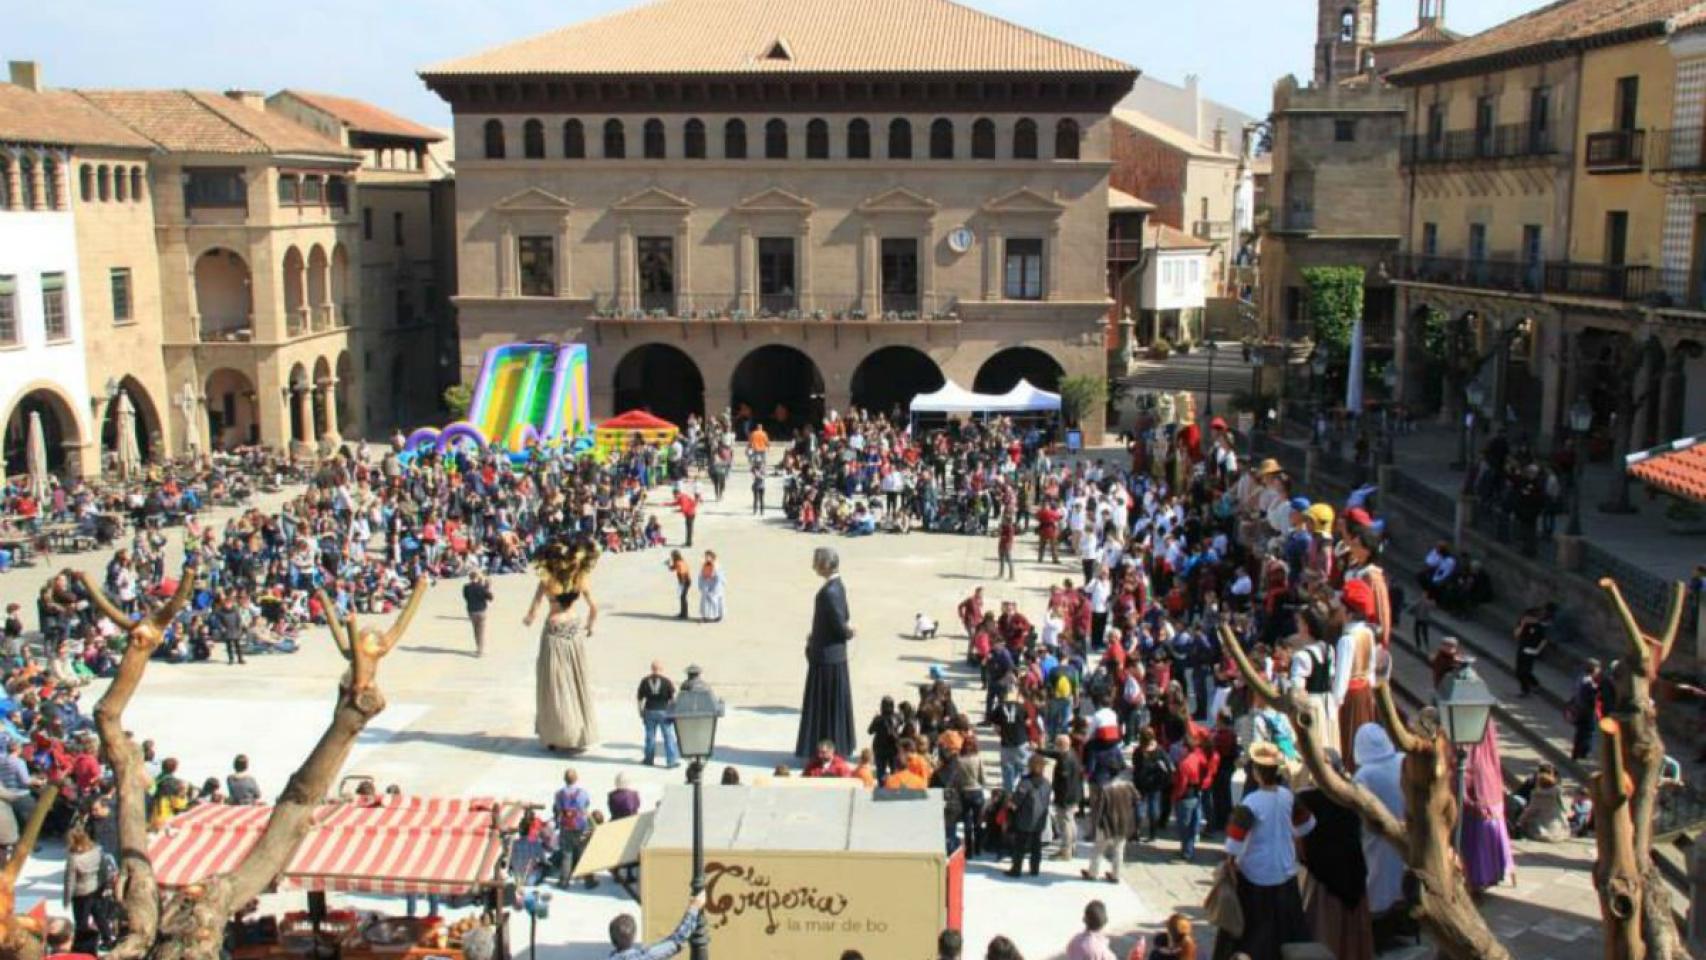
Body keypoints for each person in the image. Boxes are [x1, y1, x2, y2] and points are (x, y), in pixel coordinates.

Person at [1215, 742, 1314, 960]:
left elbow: (1234, 842)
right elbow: (1307, 825)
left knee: (1253, 933)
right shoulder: (1288, 796)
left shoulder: (1251, 802)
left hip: (1255, 874)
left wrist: (1230, 864)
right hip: (1285, 871)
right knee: (1288, 929)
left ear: (1257, 772)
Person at [525, 538, 601, 753]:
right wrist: (590, 626)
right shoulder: (579, 580)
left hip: (555, 630)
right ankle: (578, 732)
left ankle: (556, 733)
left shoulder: (547, 582)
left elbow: (533, 611)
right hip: (574, 629)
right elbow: (594, 609)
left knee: (554, 684)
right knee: (577, 681)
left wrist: (528, 619)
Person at [1295, 755, 1373, 960]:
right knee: (1350, 931)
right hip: (1350, 871)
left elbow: (1301, 841)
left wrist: (1305, 860)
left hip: (1325, 877)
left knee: (1325, 929)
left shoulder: (1307, 799)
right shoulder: (1353, 796)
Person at [795, 547, 856, 758]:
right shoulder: (838, 586)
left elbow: (840, 625)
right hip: (832, 654)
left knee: (824, 707)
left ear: (824, 565)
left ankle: (823, 749)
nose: (813, 566)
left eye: (816, 562)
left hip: (826, 656)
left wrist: (847, 632)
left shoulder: (829, 592)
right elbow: (845, 615)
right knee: (833, 705)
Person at [1351, 724, 1406, 922]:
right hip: (1405, 827)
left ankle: (1378, 919)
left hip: (1378, 834)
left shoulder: (1364, 775)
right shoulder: (1402, 761)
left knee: (1377, 878)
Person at [1459, 718, 1514, 892]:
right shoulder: (1486, 725)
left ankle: (1477, 877)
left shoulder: (1472, 736)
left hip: (1478, 790)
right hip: (1491, 787)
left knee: (1476, 836)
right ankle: (1494, 872)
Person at [607, 891, 705, 960]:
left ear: (612, 940)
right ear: (634, 935)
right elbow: (679, 938)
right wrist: (694, 907)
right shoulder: (644, 956)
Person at [1006, 752, 1052, 878]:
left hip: (1024, 819)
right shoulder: (1047, 783)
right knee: (1036, 846)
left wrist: (1009, 805)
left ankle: (1016, 869)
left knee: (1020, 845)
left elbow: (1015, 802)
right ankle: (1035, 869)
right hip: (1040, 820)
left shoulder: (1025, 783)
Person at [1082, 778, 1137, 884]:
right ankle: (1116, 875)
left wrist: (1096, 825)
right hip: (1123, 821)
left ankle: (1093, 873)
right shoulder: (1128, 786)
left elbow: (1100, 809)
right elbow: (1137, 799)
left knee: (1098, 849)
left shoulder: (1106, 789)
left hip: (1107, 823)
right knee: (1119, 849)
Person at [62, 827, 104, 953]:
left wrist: (66, 899)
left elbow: (70, 880)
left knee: (81, 922)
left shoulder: (74, 859)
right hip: (94, 887)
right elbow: (101, 869)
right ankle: (108, 937)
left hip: (81, 893)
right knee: (99, 915)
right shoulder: (96, 850)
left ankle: (82, 947)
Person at [636, 661, 679, 768]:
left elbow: (639, 698)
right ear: (661, 669)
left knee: (650, 737)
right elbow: (673, 699)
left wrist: (640, 711)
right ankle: (671, 761)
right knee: (668, 736)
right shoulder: (667, 682)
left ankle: (649, 759)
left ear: (652, 668)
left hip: (649, 710)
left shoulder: (645, 681)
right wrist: (673, 712)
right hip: (663, 711)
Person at [1513, 603, 1552, 697]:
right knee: (1519, 671)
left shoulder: (1540, 627)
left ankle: (1525, 690)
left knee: (1524, 671)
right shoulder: (1524, 625)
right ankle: (1534, 684)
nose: (1526, 619)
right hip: (1522, 649)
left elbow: (1544, 640)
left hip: (1531, 651)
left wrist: (1538, 650)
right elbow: (1516, 635)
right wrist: (1522, 625)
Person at [1569, 659, 1601, 761]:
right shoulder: (1588, 682)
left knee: (1580, 732)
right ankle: (1583, 752)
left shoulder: (1581, 678)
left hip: (1580, 708)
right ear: (1594, 669)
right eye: (1598, 668)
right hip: (1586, 711)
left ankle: (1576, 753)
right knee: (1587, 732)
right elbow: (1591, 697)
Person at [462, 571, 494, 657]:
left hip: (471, 611)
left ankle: (478, 647)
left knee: (475, 630)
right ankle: (480, 650)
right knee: (481, 631)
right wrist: (488, 587)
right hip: (481, 611)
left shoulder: (466, 587)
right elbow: (490, 597)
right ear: (477, 577)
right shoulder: (481, 587)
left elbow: (465, 597)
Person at [697, 551, 726, 623]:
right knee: (705, 602)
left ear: (712, 557)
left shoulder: (717, 565)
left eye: (708, 556)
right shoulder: (704, 565)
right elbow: (701, 576)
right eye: (705, 556)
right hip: (706, 586)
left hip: (715, 586)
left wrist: (715, 588)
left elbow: (719, 578)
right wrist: (701, 585)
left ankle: (718, 616)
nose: (706, 558)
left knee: (715, 601)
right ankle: (706, 616)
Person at [668, 551, 691, 621]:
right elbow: (672, 569)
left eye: (672, 556)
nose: (671, 557)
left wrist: (682, 583)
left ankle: (685, 614)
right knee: (682, 598)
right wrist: (669, 565)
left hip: (685, 582)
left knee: (683, 597)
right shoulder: (679, 562)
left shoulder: (679, 563)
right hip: (684, 581)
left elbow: (682, 573)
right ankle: (682, 613)